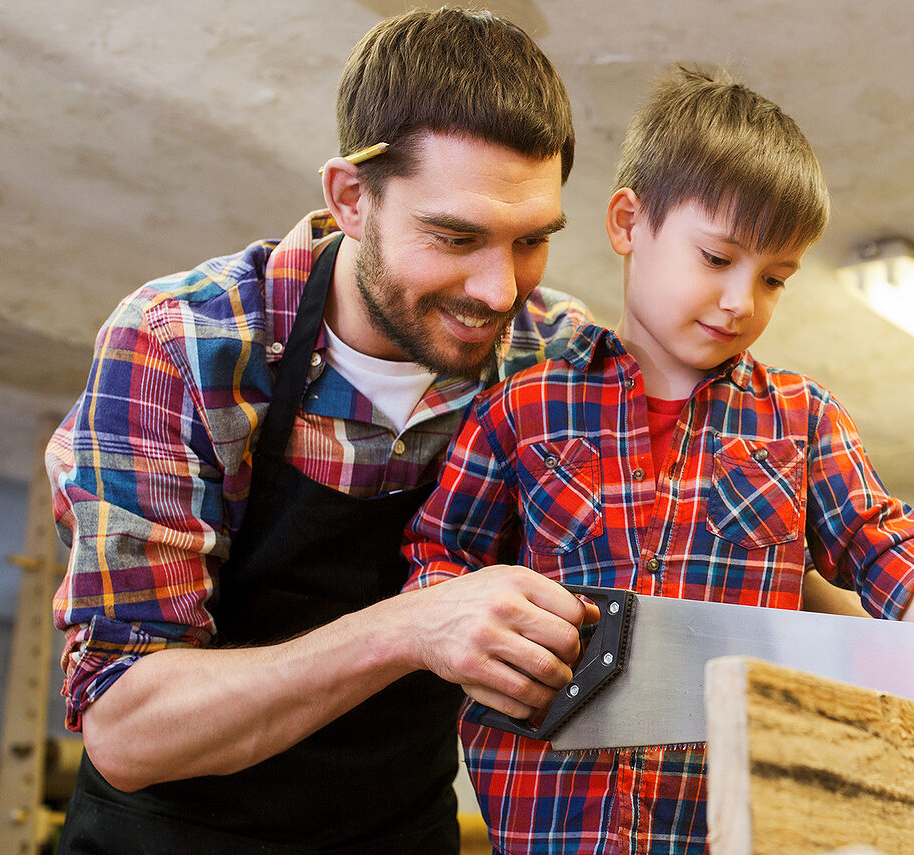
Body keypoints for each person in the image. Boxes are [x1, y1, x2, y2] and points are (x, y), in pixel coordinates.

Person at [403, 65, 914, 855]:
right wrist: (480, 641)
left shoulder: (801, 424)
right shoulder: (523, 410)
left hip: (738, 829)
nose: (740, 300)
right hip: (553, 828)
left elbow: (895, 553)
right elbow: (436, 564)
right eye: (717, 257)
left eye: (774, 278)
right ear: (629, 222)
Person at [45, 9, 602, 853]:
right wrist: (414, 626)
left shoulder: (550, 356)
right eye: (456, 236)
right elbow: (126, 732)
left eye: (532, 241)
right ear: (350, 197)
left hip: (397, 829)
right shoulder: (182, 343)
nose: (498, 289)